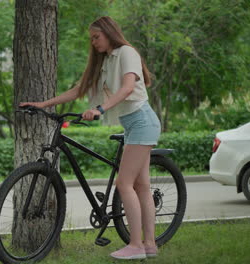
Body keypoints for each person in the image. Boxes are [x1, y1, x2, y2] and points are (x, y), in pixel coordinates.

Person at [20, 16, 161, 260]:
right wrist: (43, 103)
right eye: (91, 39)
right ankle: (150, 245)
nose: (93, 42)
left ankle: (136, 245)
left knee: (124, 184)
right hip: (134, 124)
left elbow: (128, 88)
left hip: (142, 121)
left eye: (96, 37)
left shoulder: (127, 52)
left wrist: (101, 109)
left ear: (109, 33)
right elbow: (79, 90)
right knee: (141, 186)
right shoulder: (105, 62)